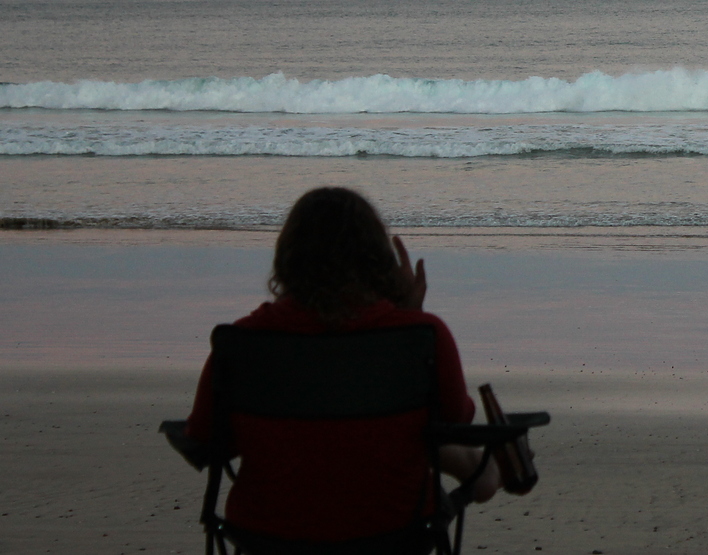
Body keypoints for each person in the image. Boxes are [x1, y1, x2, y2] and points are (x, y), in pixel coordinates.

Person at [186, 186, 499, 542]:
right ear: (378, 259)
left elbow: (204, 440)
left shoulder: (240, 341)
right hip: (393, 533)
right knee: (418, 433)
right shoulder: (422, 336)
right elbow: (456, 420)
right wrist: (409, 316)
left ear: (287, 257)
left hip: (268, 535)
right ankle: (486, 470)